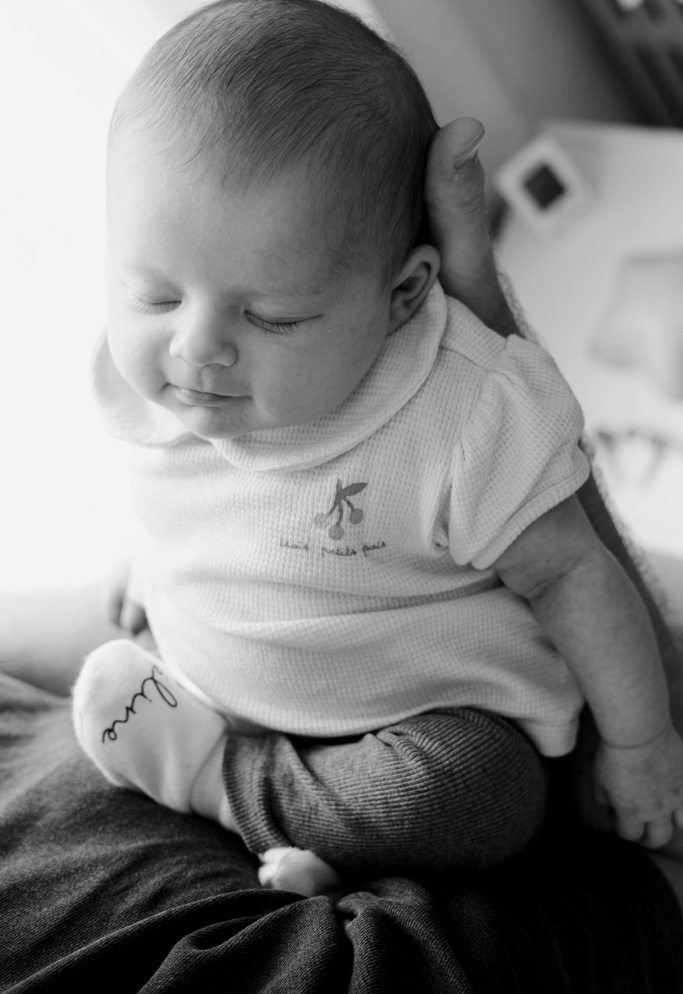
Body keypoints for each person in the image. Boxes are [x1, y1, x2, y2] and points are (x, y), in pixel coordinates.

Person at [71, 0, 683, 897]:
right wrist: (153, 560)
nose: (194, 347)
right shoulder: (169, 375)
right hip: (228, 674)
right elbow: (184, 481)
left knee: (481, 794)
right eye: (153, 295)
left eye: (272, 316)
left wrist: (640, 744)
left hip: (411, 724)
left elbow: (571, 574)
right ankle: (296, 810)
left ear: (402, 295)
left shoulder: (457, 411)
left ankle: (219, 782)